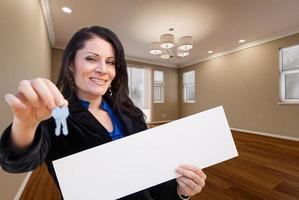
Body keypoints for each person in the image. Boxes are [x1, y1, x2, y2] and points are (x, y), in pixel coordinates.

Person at [0, 26, 206, 199]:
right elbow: (17, 162)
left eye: (110, 62)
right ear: (71, 64)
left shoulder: (129, 112)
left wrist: (181, 191)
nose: (103, 69)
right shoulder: (55, 116)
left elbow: (152, 175)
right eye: (91, 58)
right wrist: (25, 124)